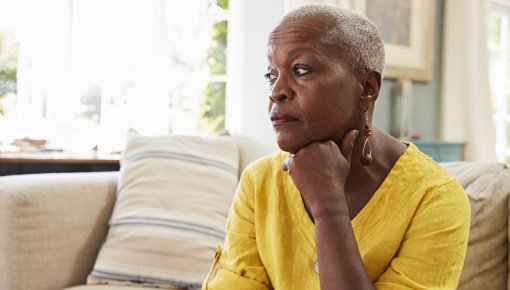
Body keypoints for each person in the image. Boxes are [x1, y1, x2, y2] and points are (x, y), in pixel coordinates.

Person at [202, 4, 470, 290]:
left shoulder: (434, 198)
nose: (276, 91)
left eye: (301, 70)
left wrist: (329, 208)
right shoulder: (258, 182)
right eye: (271, 74)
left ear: (367, 88)